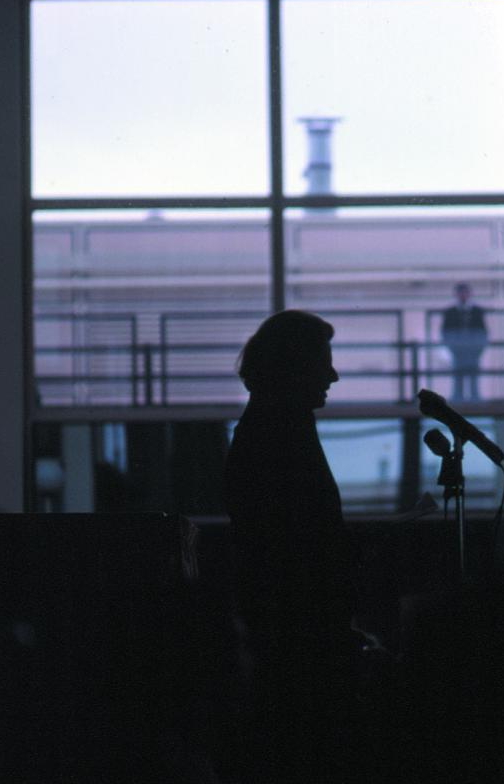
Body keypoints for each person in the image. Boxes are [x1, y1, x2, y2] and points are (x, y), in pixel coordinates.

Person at [223, 310, 358, 780]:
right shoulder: (281, 437)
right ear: (295, 367)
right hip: (298, 655)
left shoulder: (266, 431)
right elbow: (301, 553)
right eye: (324, 361)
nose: (333, 374)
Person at [440, 282, 488, 401]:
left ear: (470, 294)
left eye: (465, 292)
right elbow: (445, 333)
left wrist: (478, 348)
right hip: (457, 350)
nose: (463, 295)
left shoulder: (478, 311)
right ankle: (458, 400)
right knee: (458, 376)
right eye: (460, 292)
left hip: (473, 350)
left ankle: (475, 399)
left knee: (473, 376)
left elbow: (483, 332)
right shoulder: (449, 312)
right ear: (456, 294)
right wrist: (452, 347)